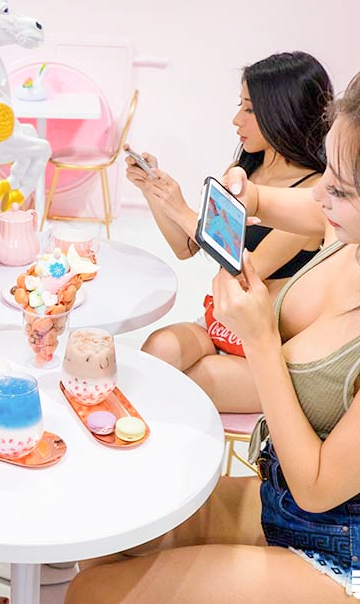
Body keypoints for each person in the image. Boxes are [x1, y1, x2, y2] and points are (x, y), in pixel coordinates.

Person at [65, 20, 360, 603]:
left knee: (94, 592)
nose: (321, 194)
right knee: (105, 527)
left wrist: (259, 339)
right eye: (327, 172)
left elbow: (318, 487)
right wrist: (246, 193)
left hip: (349, 555)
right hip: (277, 502)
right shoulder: (356, 232)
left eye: (343, 190)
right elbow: (284, 201)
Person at [131, 52, 332, 412]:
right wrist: (154, 193)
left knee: (175, 390)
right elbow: (186, 247)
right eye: (240, 106)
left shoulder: (313, 195)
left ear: (282, 112)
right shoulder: (246, 168)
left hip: (267, 349)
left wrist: (181, 207)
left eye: (250, 109)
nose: (236, 119)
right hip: (220, 324)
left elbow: (245, 271)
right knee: (156, 352)